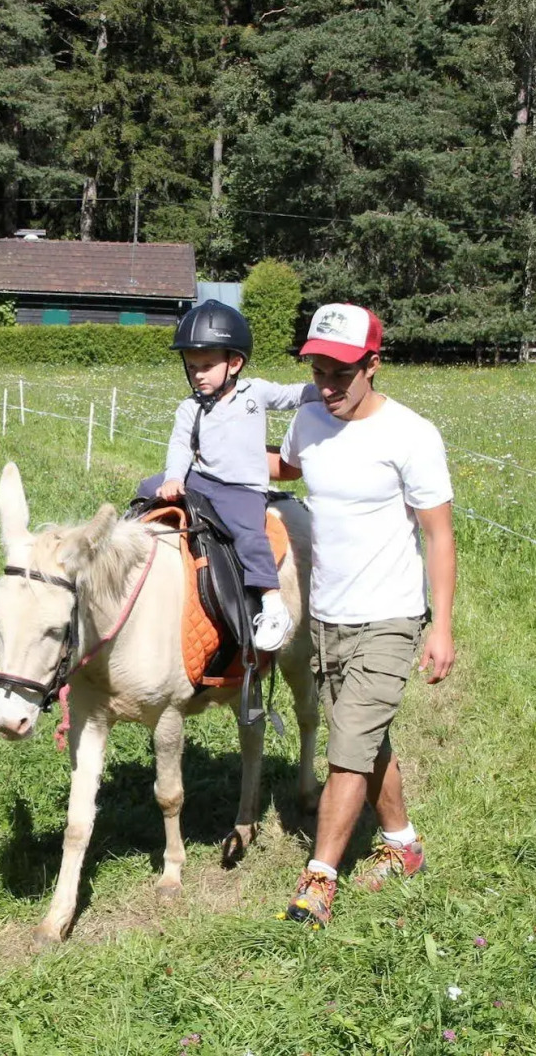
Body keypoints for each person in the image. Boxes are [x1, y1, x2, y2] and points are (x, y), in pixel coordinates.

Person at [272, 302, 456, 928]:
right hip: (326, 616)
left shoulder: (412, 435)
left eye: (340, 373)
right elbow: (288, 466)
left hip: (390, 616)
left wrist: (442, 626)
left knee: (346, 749)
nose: (327, 385)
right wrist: (210, 460)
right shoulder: (310, 420)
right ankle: (404, 846)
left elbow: (439, 534)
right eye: (318, 370)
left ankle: (318, 880)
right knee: (367, 739)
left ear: (373, 365)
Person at [139, 300, 317, 651]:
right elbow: (179, 446)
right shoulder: (189, 407)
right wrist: (174, 477)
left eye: (206, 366)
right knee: (147, 488)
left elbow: (292, 395)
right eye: (192, 368)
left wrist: (324, 392)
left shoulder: (256, 392)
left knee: (249, 535)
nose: (198, 375)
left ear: (234, 363)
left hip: (242, 489)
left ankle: (272, 603)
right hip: (202, 479)